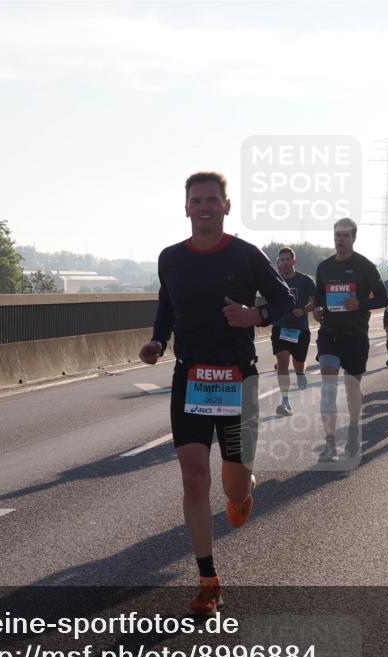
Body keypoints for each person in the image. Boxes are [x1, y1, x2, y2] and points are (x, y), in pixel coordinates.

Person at [139, 172, 296, 615]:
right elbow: (167, 305)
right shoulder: (170, 258)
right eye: (196, 200)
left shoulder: (246, 255)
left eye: (212, 200)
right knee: (193, 475)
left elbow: (285, 301)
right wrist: (157, 341)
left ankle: (245, 490)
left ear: (227, 206)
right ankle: (208, 579)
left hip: (237, 379)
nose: (204, 207)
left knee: (232, 486)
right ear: (185, 207)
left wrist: (255, 315)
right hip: (190, 377)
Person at [312, 218, 388, 461]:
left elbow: (383, 299)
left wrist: (360, 303)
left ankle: (354, 432)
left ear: (354, 238)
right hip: (329, 334)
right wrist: (317, 309)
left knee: (352, 390)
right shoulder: (324, 267)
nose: (340, 240)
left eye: (345, 236)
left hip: (355, 335)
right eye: (337, 235)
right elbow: (319, 297)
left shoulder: (365, 266)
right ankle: (330, 443)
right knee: (328, 387)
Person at [271, 247, 316, 416]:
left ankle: (300, 372)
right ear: (278, 263)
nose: (284, 262)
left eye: (287, 259)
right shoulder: (274, 280)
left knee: (298, 361)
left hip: (300, 329)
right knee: (282, 361)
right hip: (280, 327)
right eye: (281, 260)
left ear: (293, 261)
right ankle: (285, 401)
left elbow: (316, 298)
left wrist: (304, 310)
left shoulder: (304, 280)